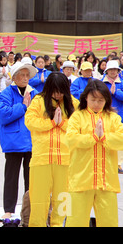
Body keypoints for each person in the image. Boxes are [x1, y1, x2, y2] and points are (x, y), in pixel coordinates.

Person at [65, 79, 123, 227]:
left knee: (109, 222)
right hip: (81, 180)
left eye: (101, 100)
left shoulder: (112, 117)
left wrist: (104, 137)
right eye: (93, 99)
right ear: (86, 98)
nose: (96, 103)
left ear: (106, 100)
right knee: (75, 221)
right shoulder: (77, 116)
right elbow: (71, 139)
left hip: (106, 181)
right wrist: (93, 137)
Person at [25, 72, 79, 227]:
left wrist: (61, 123)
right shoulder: (38, 101)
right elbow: (29, 121)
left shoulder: (73, 103)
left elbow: (79, 126)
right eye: (55, 91)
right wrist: (51, 123)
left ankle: (58, 224)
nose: (58, 94)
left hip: (65, 159)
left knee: (63, 199)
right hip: (41, 159)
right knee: (39, 200)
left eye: (61, 91)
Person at [0, 61, 38, 219]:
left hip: (32, 141)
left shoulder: (35, 94)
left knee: (32, 179)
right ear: (14, 77)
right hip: (13, 142)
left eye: (27, 75)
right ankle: (8, 210)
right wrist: (22, 107)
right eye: (22, 75)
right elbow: (3, 116)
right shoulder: (6, 93)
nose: (25, 78)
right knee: (11, 178)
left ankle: (30, 210)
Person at [102, 60, 123, 174]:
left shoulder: (122, 83)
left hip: (119, 115)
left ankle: (118, 164)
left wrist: (115, 93)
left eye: (115, 69)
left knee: (118, 140)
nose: (113, 72)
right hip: (104, 115)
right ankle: (105, 162)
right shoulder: (101, 83)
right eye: (111, 70)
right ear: (107, 71)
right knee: (104, 138)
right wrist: (109, 92)